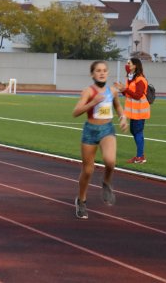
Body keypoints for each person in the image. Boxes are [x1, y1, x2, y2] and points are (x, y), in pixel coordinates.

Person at [73, 61, 127, 219]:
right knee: (88, 170)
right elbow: (75, 112)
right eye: (98, 71)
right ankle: (81, 200)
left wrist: (123, 117)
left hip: (107, 129)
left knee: (110, 161)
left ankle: (106, 183)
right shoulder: (88, 91)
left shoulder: (113, 91)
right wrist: (93, 102)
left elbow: (117, 106)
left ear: (108, 73)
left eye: (104, 70)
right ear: (92, 74)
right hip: (90, 131)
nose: (102, 73)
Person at [114, 58, 151, 164]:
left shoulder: (140, 79)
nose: (127, 65)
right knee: (134, 131)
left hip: (140, 110)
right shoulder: (130, 78)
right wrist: (122, 90)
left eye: (129, 63)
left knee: (137, 131)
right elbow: (129, 94)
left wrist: (125, 89)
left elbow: (138, 95)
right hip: (134, 111)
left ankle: (140, 157)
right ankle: (140, 155)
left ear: (135, 65)